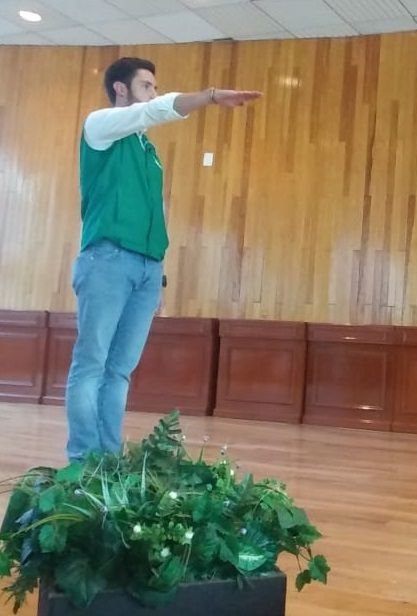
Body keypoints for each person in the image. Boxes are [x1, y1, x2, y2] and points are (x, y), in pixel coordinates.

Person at [65, 57, 261, 460]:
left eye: (155, 87)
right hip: (107, 259)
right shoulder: (99, 126)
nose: (153, 93)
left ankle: (109, 459)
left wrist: (159, 278)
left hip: (146, 269)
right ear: (121, 89)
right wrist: (209, 96)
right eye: (146, 85)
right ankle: (83, 461)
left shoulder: (148, 152)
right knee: (91, 365)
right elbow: (153, 111)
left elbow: (153, 214)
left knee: (119, 370)